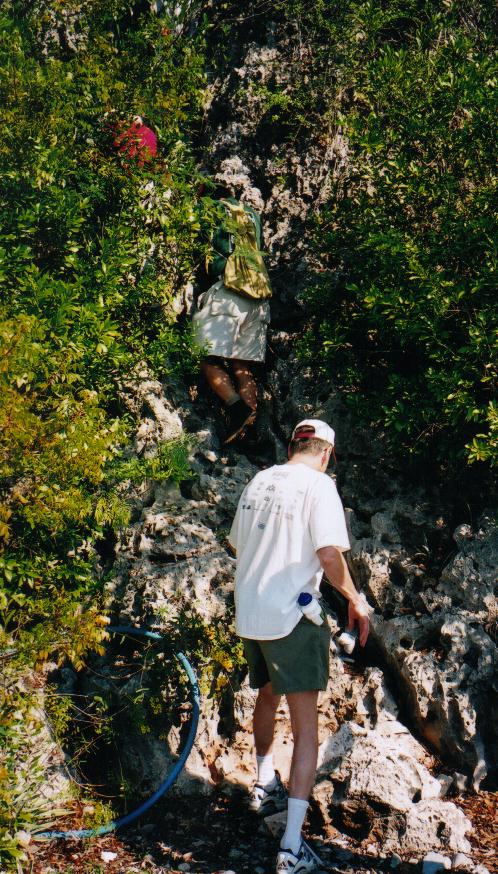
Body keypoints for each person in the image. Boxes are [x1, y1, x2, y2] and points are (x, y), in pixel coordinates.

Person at [228, 419, 370, 874]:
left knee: (268, 694)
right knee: (307, 729)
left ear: (294, 445)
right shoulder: (319, 486)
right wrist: (355, 599)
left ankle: (264, 781)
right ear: (327, 453)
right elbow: (329, 554)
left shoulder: (259, 480)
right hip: (292, 615)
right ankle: (291, 848)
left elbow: (236, 544)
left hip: (251, 614)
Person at [192, 184, 272, 444]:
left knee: (206, 358)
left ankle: (236, 406)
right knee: (241, 365)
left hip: (228, 294)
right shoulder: (251, 215)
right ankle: (246, 430)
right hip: (258, 299)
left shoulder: (209, 209)